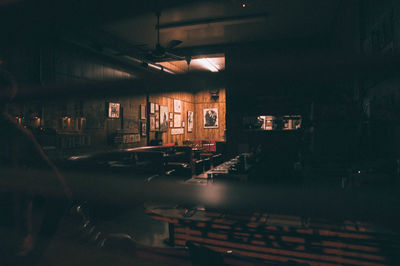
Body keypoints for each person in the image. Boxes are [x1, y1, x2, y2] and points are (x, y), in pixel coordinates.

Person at [0, 67, 72, 265]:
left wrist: (36, 254)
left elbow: (61, 196)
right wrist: (37, 253)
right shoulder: (18, 136)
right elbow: (61, 195)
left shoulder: (17, 137)